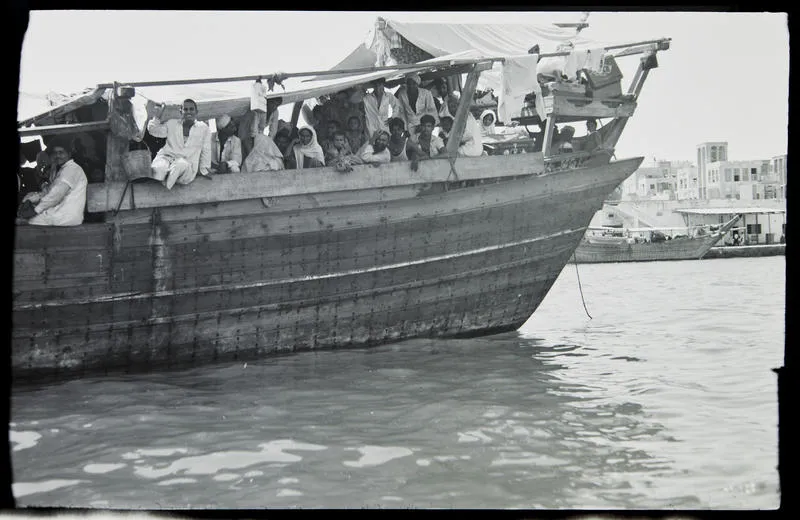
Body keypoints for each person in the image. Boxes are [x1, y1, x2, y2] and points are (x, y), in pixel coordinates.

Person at [18, 138, 87, 226]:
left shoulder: (72, 169)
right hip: (61, 212)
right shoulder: (61, 169)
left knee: (24, 221)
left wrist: (35, 210)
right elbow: (49, 191)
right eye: (55, 153)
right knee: (25, 216)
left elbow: (55, 195)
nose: (57, 155)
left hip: (66, 216)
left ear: (69, 154)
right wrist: (32, 198)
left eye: (61, 152)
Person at [147, 98, 212, 189]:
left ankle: (166, 186)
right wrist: (157, 116)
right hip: (167, 158)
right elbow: (153, 130)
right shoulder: (172, 123)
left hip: (187, 165)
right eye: (185, 109)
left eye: (191, 109)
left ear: (196, 112)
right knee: (159, 170)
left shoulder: (203, 128)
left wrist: (204, 170)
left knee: (179, 165)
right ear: (181, 112)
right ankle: (164, 177)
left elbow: (206, 149)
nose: (188, 112)